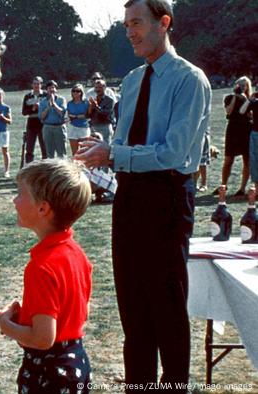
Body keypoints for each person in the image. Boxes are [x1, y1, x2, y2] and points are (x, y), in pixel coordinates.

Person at [74, 0, 211, 390]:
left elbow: (175, 153)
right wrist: (102, 149)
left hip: (167, 199)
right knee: (133, 313)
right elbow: (125, 143)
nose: (130, 31)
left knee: (166, 310)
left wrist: (114, 153)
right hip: (129, 198)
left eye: (137, 23)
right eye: (126, 24)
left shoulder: (190, 79)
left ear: (164, 23)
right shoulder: (132, 81)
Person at [0, 158, 92, 393]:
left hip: (48, 371)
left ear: (43, 209)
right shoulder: (76, 254)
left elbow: (42, 339)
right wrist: (24, 316)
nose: (14, 200)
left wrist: (6, 325)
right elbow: (78, 312)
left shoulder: (41, 267)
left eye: (20, 194)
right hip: (75, 361)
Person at [215, 76, 252, 197]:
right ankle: (223, 185)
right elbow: (229, 112)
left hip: (246, 130)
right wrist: (235, 98)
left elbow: (251, 115)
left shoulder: (251, 100)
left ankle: (242, 188)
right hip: (233, 130)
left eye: (244, 84)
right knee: (228, 160)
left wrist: (247, 99)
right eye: (240, 84)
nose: (242, 87)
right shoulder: (229, 98)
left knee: (247, 160)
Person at [21, 76, 47, 165]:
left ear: (41, 85)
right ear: (32, 85)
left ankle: (45, 167)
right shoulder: (28, 96)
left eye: (38, 83)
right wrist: (32, 108)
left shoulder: (45, 95)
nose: (36, 85)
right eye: (34, 83)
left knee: (44, 147)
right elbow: (24, 112)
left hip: (42, 123)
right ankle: (29, 167)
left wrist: (41, 108)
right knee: (29, 148)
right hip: (31, 124)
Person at [39, 80, 67, 158]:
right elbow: (41, 116)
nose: (51, 90)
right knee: (49, 153)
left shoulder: (61, 100)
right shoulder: (43, 101)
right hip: (47, 128)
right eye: (49, 88)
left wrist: (54, 104)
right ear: (46, 90)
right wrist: (48, 107)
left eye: (53, 88)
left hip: (59, 127)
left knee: (61, 153)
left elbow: (62, 113)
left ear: (56, 89)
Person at [88, 79, 116, 145]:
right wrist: (90, 107)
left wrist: (96, 106)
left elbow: (106, 113)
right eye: (96, 87)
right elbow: (88, 115)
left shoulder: (109, 100)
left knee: (106, 147)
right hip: (94, 126)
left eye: (100, 87)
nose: (98, 89)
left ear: (105, 87)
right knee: (94, 148)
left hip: (105, 126)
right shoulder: (94, 100)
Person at [66, 84, 91, 155]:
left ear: (81, 92)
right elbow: (69, 115)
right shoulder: (69, 103)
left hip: (83, 128)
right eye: (73, 91)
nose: (75, 93)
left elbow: (87, 116)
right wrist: (78, 116)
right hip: (72, 127)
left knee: (84, 151)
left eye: (78, 91)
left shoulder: (86, 103)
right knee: (75, 153)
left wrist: (75, 116)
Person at [246, 91, 258, 190]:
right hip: (255, 133)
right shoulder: (255, 104)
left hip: (255, 133)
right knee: (254, 161)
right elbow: (242, 111)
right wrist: (249, 100)